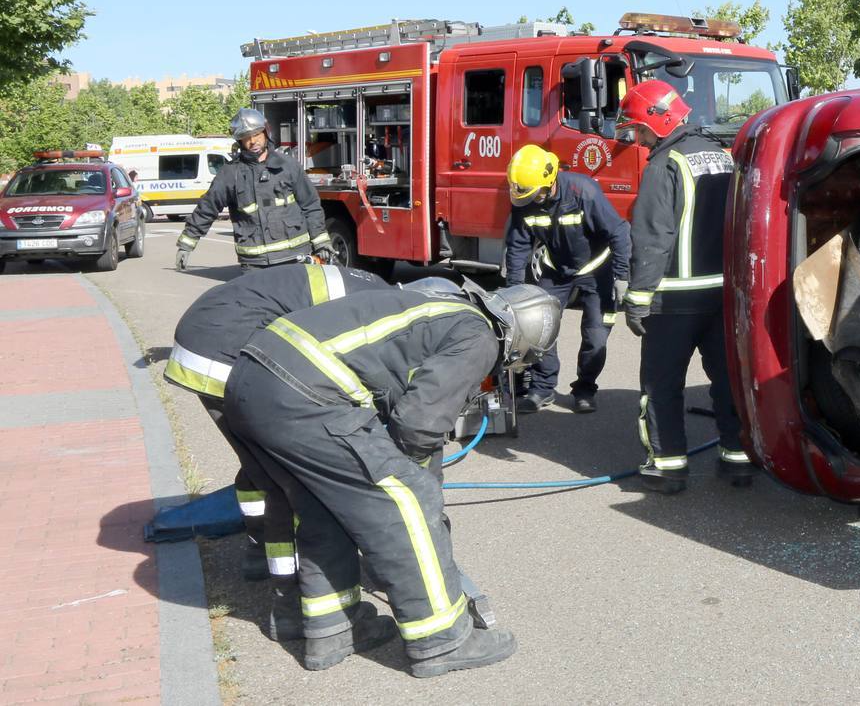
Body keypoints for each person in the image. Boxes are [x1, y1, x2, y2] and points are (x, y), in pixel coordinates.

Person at [223, 281, 561, 675]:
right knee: (407, 501)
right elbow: (418, 427)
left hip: (251, 381)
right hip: (304, 393)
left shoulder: (438, 308)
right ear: (522, 341)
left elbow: (402, 404)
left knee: (322, 509)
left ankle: (331, 628)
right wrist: (420, 489)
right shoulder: (478, 335)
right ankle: (441, 640)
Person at [163, 263, 393, 638]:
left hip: (201, 343)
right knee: (294, 483)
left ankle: (259, 553)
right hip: (228, 352)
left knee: (259, 467)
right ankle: (291, 602)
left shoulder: (363, 284)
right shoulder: (378, 306)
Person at [617, 80, 753, 493]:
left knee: (661, 386)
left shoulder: (664, 165)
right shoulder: (723, 157)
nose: (637, 138)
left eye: (640, 129)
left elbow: (653, 239)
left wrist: (637, 299)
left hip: (674, 300)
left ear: (658, 123)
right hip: (722, 295)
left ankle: (669, 466)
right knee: (729, 380)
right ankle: (739, 459)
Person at [503, 144, 632, 414]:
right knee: (539, 328)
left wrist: (622, 276)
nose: (525, 200)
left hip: (598, 270)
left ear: (548, 182)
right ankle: (542, 388)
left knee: (596, 336)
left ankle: (585, 389)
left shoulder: (582, 191)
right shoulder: (525, 200)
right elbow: (517, 247)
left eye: (531, 194)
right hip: (556, 270)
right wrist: (514, 291)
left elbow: (619, 231)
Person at [176, 108, 333, 271]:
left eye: (257, 134)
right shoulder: (230, 173)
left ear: (265, 133)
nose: (253, 141)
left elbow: (311, 205)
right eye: (246, 138)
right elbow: (208, 207)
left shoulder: (288, 165)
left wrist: (321, 242)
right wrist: (186, 244)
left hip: (295, 258)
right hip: (254, 264)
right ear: (240, 141)